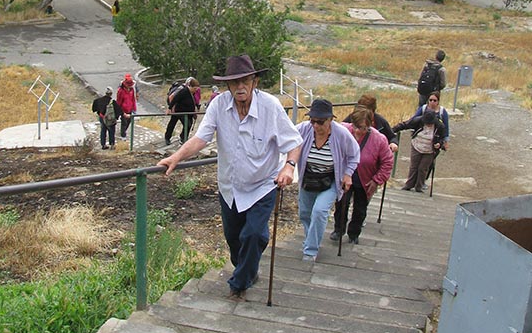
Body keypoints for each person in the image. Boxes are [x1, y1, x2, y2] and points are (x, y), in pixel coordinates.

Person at [158, 54, 302, 300]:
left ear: (254, 81)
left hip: (263, 184)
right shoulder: (218, 105)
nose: (240, 87)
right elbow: (200, 139)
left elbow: (293, 142)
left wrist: (288, 167)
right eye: (234, 82)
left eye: (245, 81)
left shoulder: (270, 106)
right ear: (227, 85)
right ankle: (247, 269)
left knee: (254, 234)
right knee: (234, 239)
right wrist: (176, 157)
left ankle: (239, 283)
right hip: (230, 187)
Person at [297, 99, 360, 261]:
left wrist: (347, 174)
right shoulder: (304, 129)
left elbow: (354, 155)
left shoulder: (341, 134)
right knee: (305, 213)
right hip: (308, 177)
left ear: (331, 119)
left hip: (330, 180)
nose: (316, 126)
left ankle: (310, 250)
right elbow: (287, 137)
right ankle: (310, 239)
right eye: (312, 121)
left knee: (319, 212)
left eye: (320, 122)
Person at [333, 106, 393, 244]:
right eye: (356, 126)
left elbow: (387, 162)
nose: (359, 131)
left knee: (360, 208)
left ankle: (354, 234)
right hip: (345, 174)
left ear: (370, 125)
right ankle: (338, 229)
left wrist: (377, 180)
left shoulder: (379, 139)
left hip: (365, 178)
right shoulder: (344, 130)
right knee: (341, 203)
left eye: (363, 128)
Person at [392, 109, 446, 193]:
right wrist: (391, 131)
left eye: (430, 123)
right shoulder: (417, 121)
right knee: (414, 166)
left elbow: (442, 138)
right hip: (416, 145)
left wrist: (439, 144)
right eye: (427, 122)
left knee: (423, 168)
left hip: (430, 150)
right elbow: (405, 125)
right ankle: (409, 185)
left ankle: (419, 187)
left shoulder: (440, 126)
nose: (428, 124)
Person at [164, 77, 199, 145]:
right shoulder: (184, 91)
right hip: (179, 111)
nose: (195, 90)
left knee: (189, 124)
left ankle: (183, 138)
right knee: (173, 124)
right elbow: (175, 99)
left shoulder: (192, 92)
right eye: (194, 88)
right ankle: (168, 138)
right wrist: (169, 108)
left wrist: (194, 111)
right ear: (190, 86)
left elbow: (193, 102)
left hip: (188, 112)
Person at [116, 73, 137, 139]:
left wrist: (134, 108)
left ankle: (123, 131)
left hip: (130, 109)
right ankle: (123, 135)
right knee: (124, 122)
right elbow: (118, 101)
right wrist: (119, 111)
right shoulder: (121, 91)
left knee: (129, 121)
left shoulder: (132, 90)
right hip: (123, 109)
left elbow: (133, 99)